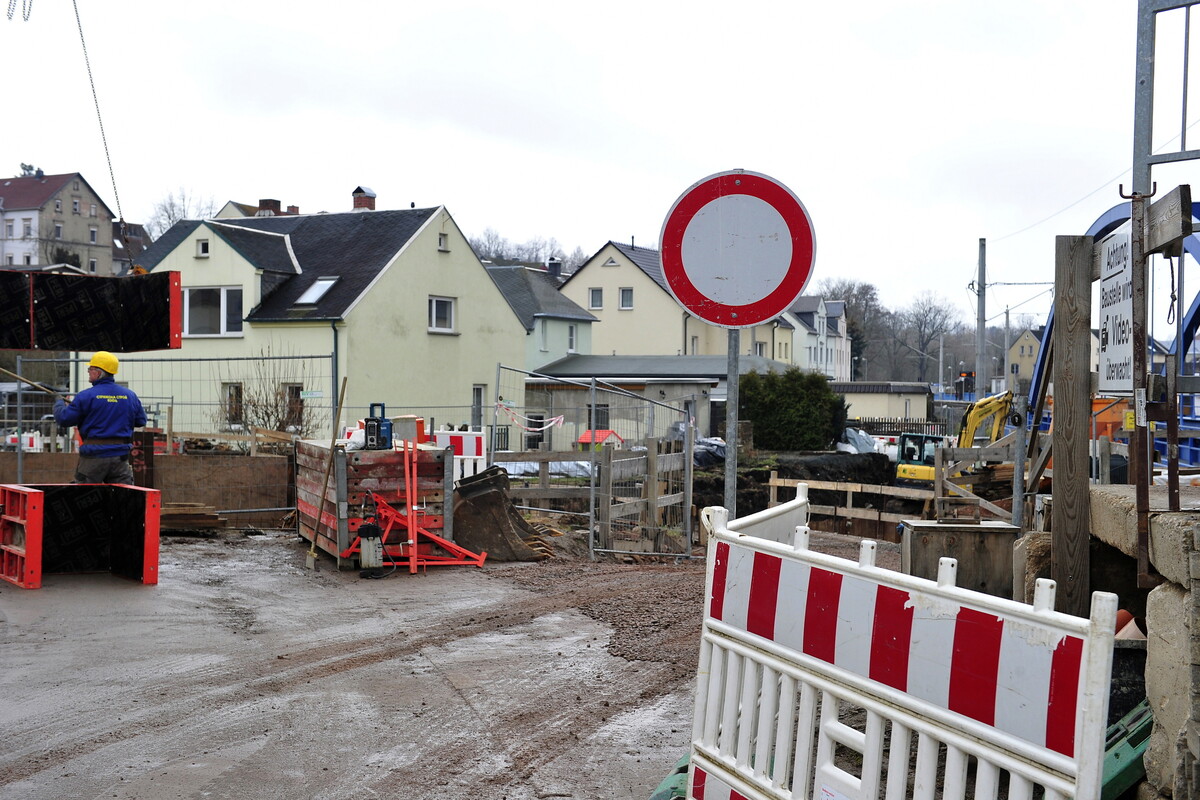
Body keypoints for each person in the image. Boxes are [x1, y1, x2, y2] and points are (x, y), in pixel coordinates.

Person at [53, 351, 147, 484]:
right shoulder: (130, 396)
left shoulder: (86, 396)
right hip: (120, 458)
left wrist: (58, 402)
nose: (88, 372)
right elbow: (140, 421)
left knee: (85, 497)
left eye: (90, 369)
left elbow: (64, 419)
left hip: (93, 457)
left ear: (98, 372)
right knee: (124, 497)